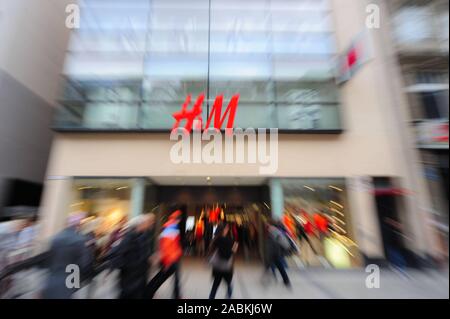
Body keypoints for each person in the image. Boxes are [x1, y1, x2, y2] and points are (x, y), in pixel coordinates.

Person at [101, 213, 155, 299]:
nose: (149, 224)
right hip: (131, 273)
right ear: (139, 224)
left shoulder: (142, 234)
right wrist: (110, 265)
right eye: (146, 223)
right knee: (128, 293)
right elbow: (119, 250)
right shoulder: (130, 235)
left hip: (138, 272)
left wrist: (147, 259)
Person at [42, 213, 93, 299]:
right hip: (70, 281)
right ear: (78, 225)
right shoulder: (80, 240)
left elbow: (47, 260)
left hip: (51, 280)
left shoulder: (55, 238)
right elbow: (85, 264)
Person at [145, 209, 183, 299]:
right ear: (179, 219)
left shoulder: (171, 225)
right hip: (171, 258)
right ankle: (148, 292)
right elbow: (167, 246)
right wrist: (167, 261)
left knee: (166, 277)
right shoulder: (172, 226)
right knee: (162, 277)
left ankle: (148, 291)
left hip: (172, 257)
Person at [207, 223, 238, 299]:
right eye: (226, 228)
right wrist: (234, 248)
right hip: (226, 267)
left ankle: (211, 297)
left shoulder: (215, 239)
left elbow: (210, 251)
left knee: (215, 285)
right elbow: (228, 254)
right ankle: (229, 297)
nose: (227, 230)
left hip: (217, 267)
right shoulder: (228, 241)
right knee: (229, 284)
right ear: (223, 230)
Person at [262, 220, 291, 288]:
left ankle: (267, 280)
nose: (267, 227)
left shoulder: (273, 231)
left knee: (271, 266)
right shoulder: (274, 231)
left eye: (267, 225)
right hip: (275, 252)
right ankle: (286, 281)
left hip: (274, 252)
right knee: (279, 267)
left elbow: (276, 242)